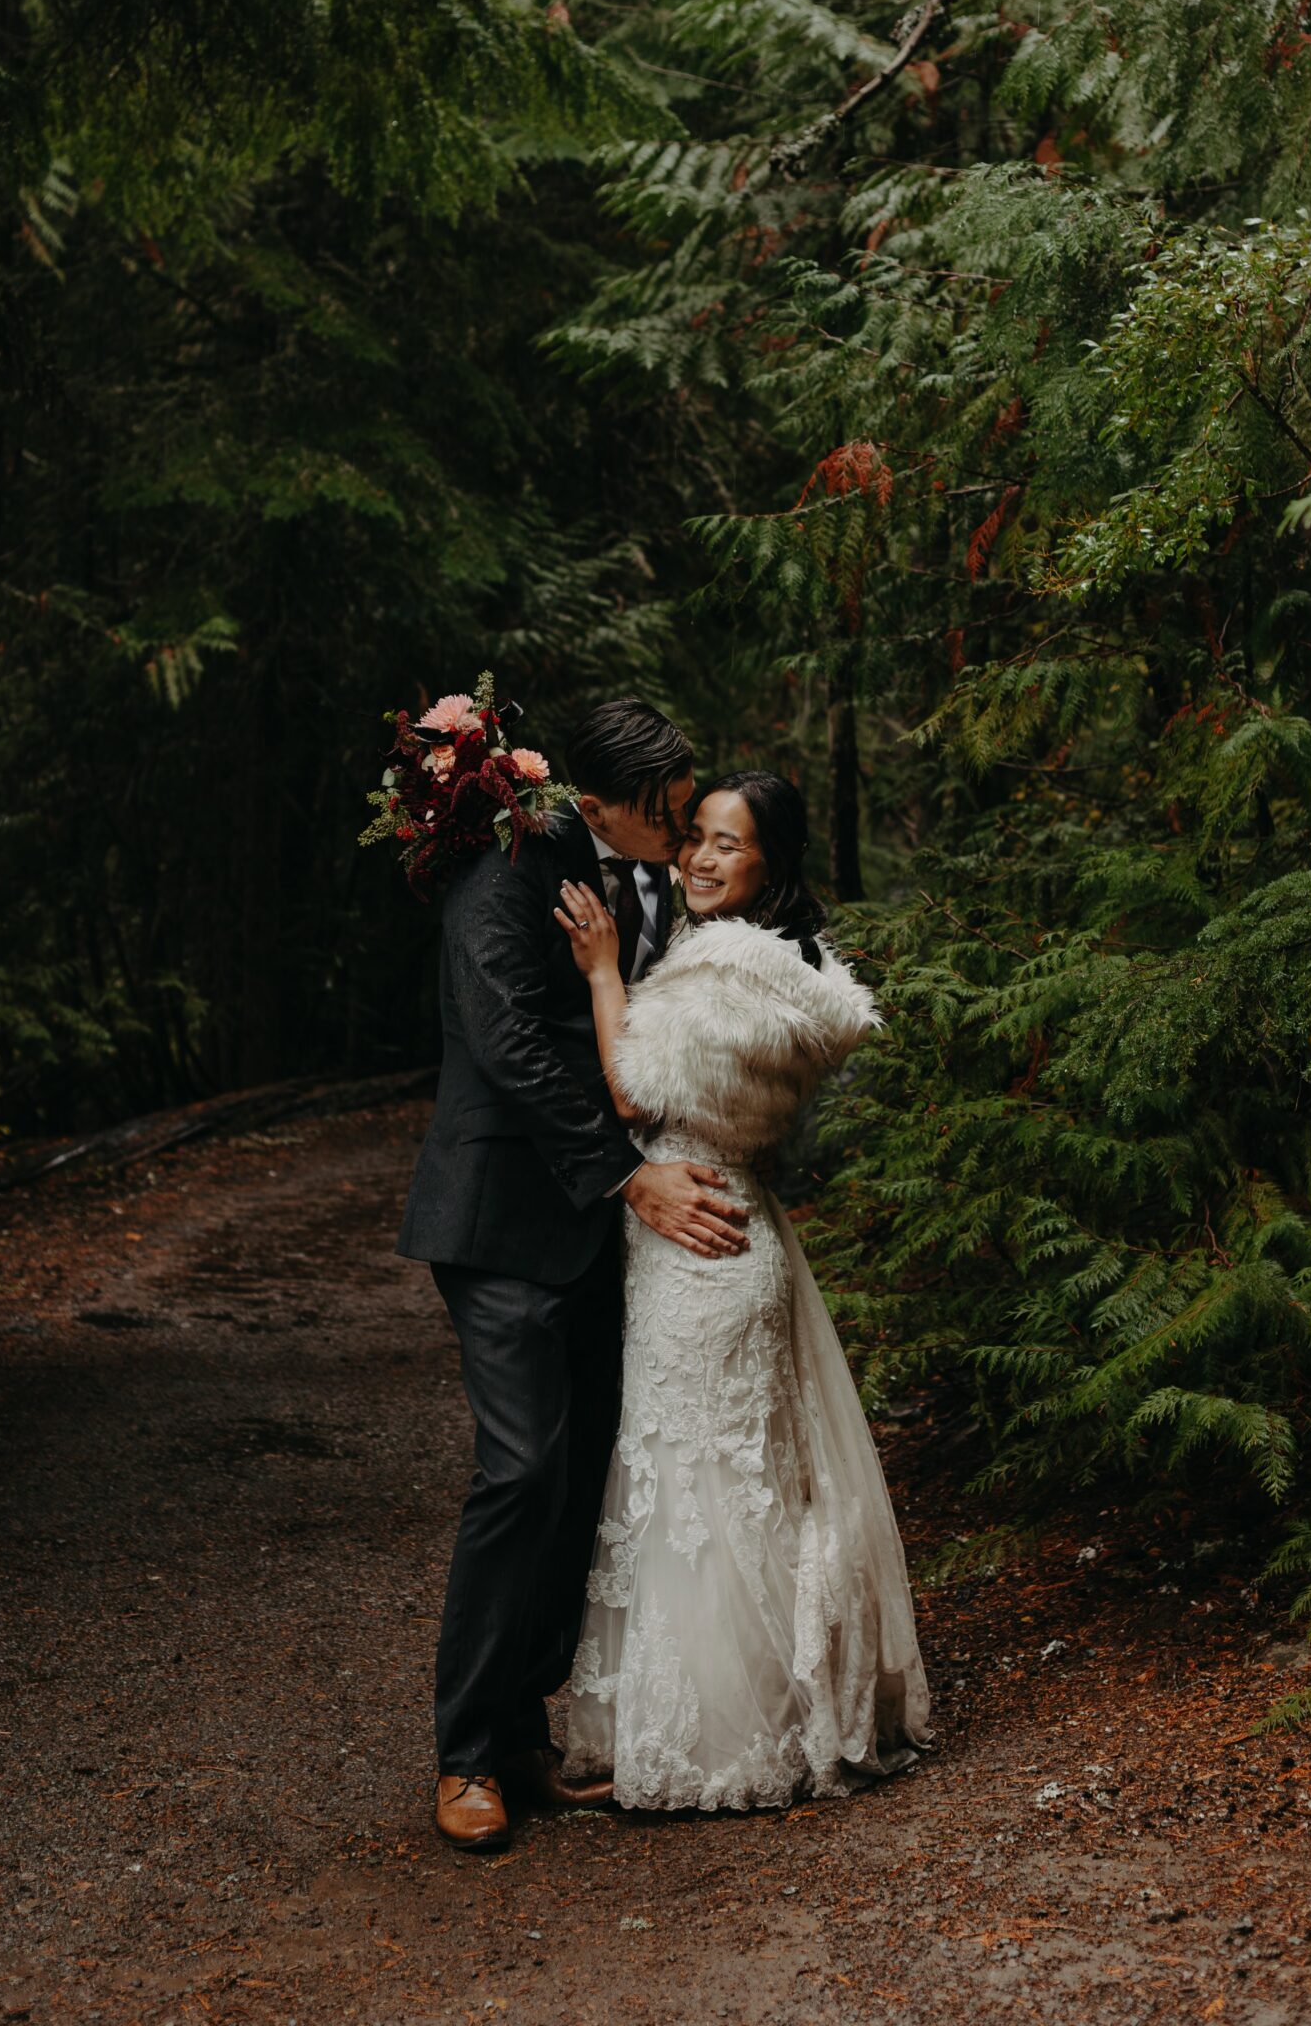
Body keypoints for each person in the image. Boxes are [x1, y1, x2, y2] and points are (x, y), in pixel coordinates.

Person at [397, 698, 750, 1852]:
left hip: (601, 1233)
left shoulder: (646, 869)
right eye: (664, 809)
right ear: (595, 806)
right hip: (501, 1218)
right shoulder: (504, 873)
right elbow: (507, 1045)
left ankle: (523, 1732)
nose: (685, 822)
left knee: (589, 1464)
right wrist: (627, 1177)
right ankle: (463, 1756)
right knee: (521, 1468)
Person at [555, 770, 930, 1810]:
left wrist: (598, 971)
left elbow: (634, 1089)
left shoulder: (730, 966)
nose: (703, 858)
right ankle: (712, 1718)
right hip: (733, 1223)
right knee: (720, 1479)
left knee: (698, 1481)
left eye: (730, 843)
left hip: (702, 1241)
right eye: (697, 840)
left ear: (772, 862)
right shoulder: (782, 968)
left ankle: (723, 1737)